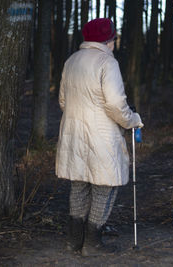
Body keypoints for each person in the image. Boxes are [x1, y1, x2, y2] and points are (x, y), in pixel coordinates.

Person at [55, 18, 143, 257]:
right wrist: (133, 120)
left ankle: (74, 241)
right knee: (105, 186)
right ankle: (92, 243)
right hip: (101, 136)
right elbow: (115, 104)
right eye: (113, 38)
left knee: (79, 184)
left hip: (73, 134)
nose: (115, 42)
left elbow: (63, 101)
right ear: (108, 40)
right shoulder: (107, 62)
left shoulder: (71, 60)